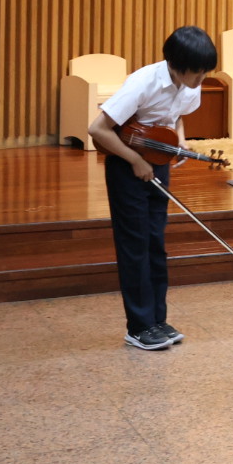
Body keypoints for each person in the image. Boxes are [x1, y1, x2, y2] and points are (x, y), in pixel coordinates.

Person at [87, 25, 218, 351]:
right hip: (126, 162)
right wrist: (135, 160)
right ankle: (138, 326)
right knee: (134, 245)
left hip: (157, 159)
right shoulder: (143, 83)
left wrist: (179, 141)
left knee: (155, 243)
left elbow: (177, 116)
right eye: (198, 72)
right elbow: (98, 129)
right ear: (176, 64)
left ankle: (157, 320)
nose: (201, 79)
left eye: (205, 71)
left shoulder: (190, 84)